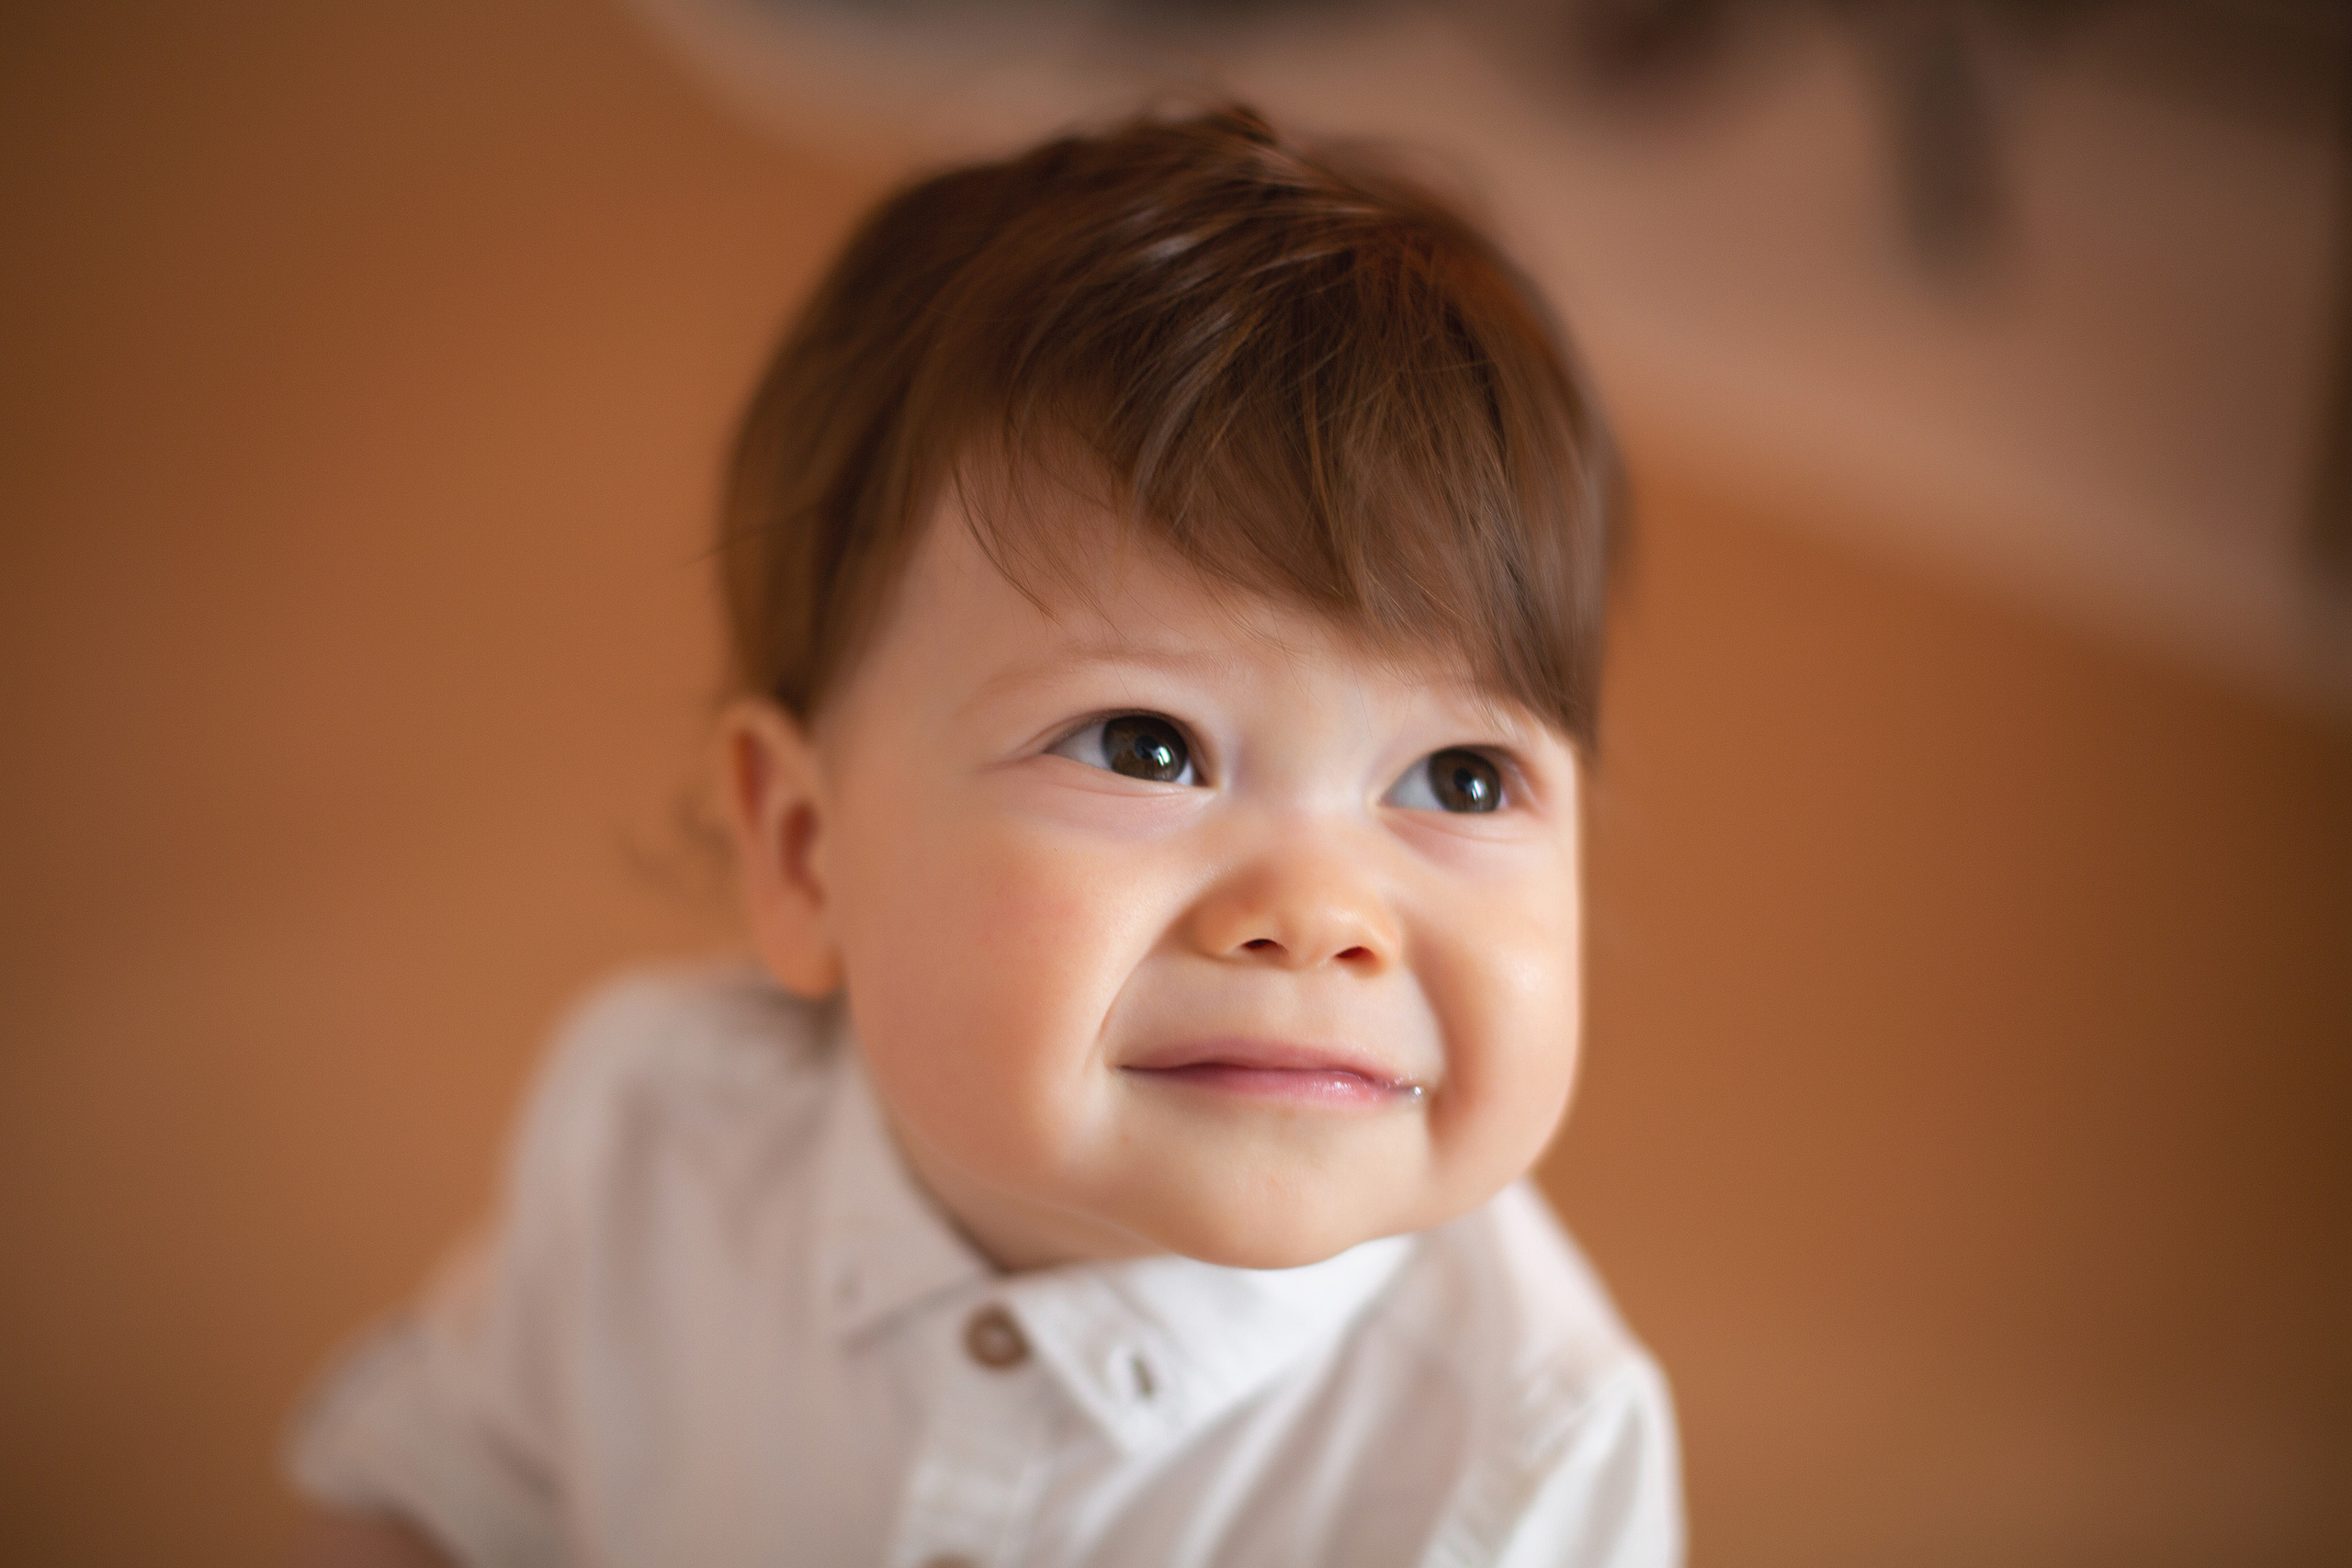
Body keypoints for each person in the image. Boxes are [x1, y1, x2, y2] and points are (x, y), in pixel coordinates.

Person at [286, 104, 1682, 1568]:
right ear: (806, 850)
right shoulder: (657, 1138)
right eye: (1149, 748)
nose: (1325, 912)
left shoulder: (1528, 1455)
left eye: (1460, 778)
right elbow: (438, 1496)